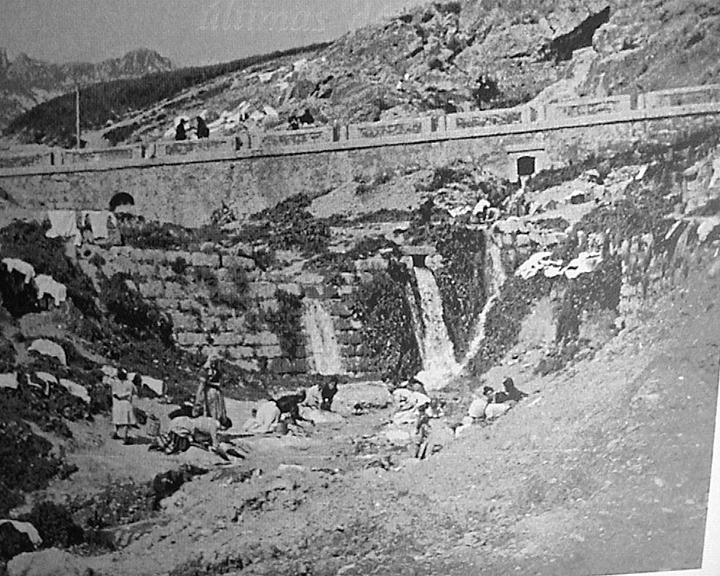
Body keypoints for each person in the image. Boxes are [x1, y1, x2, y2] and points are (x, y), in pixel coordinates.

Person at [111, 367, 137, 444]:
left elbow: (114, 393)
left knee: (117, 419)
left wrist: (119, 396)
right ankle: (126, 437)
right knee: (126, 421)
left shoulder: (115, 383)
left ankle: (115, 432)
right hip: (126, 404)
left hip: (117, 403)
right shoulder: (130, 384)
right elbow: (135, 391)